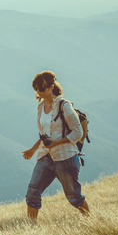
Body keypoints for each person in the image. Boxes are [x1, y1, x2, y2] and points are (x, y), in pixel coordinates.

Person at [22, 71, 90, 221]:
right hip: (45, 156)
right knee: (32, 191)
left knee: (74, 197)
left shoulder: (64, 106)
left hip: (65, 157)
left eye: (42, 88)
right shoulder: (40, 107)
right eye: (36, 88)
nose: (38, 92)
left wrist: (57, 143)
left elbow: (78, 133)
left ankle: (91, 221)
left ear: (51, 87)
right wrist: (33, 149)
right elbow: (44, 134)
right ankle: (30, 228)